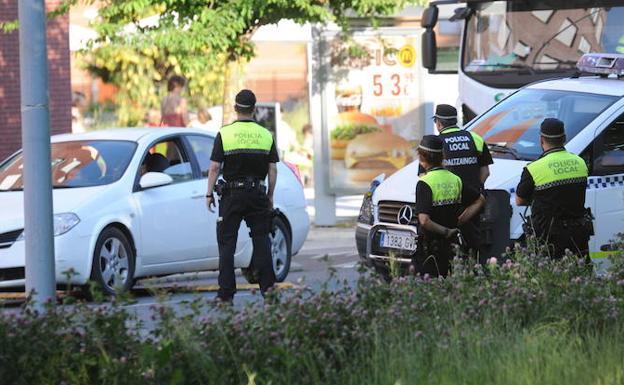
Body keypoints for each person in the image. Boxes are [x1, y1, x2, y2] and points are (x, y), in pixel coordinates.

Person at [205, 89, 278, 303]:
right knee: (262, 241)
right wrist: (270, 196)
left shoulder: (225, 134)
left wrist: (209, 194)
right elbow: (273, 170)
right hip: (257, 194)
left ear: (235, 108)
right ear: (254, 110)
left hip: (232, 195)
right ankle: (270, 292)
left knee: (227, 243)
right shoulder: (266, 135)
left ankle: (225, 294)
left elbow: (214, 167)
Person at [422, 104, 493, 259]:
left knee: (445, 252)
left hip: (445, 207)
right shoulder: (475, 138)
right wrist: (475, 189)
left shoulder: (435, 144)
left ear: (439, 123)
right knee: (474, 247)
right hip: (473, 204)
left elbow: (425, 178)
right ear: (456, 121)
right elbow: (485, 172)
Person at [515, 118, 592, 260]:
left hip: (549, 237)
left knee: (550, 278)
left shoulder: (533, 168)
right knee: (581, 273)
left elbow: (519, 201)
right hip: (578, 233)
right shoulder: (580, 162)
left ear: (541, 139)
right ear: (564, 138)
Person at [414, 135, 486, 277]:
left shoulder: (425, 182)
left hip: (430, 248)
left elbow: (424, 220)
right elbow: (480, 200)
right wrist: (460, 221)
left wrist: (445, 231)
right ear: (442, 156)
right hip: (452, 246)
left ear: (422, 159)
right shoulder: (455, 179)